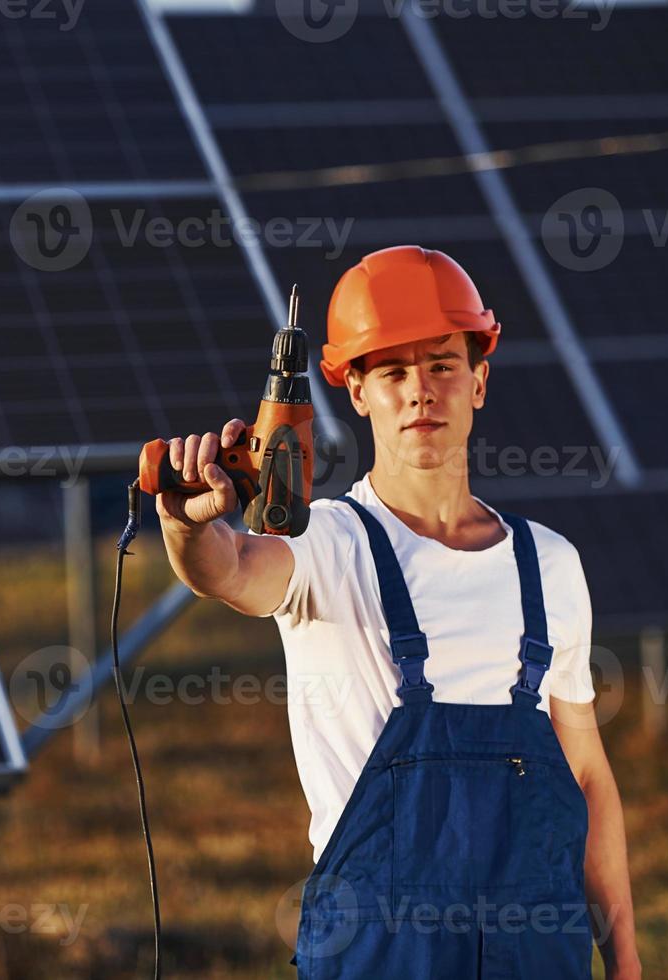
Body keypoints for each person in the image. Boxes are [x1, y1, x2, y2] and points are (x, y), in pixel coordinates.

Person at [153, 246, 641, 978]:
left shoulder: (550, 566)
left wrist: (625, 962)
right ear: (355, 391)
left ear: (478, 379)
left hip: (536, 954)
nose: (420, 392)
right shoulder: (324, 544)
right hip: (381, 956)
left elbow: (587, 778)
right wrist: (188, 525)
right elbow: (227, 570)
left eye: (442, 364)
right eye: (391, 370)